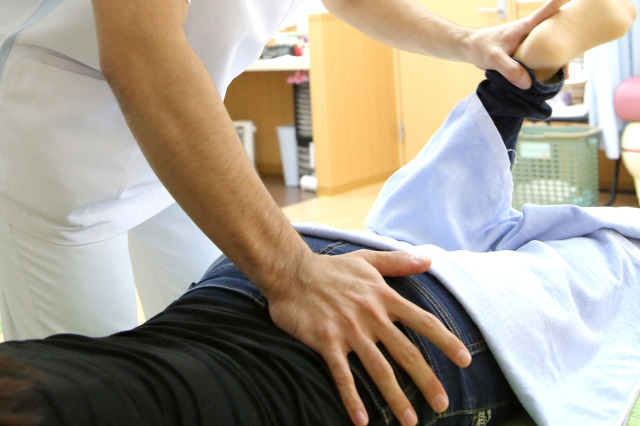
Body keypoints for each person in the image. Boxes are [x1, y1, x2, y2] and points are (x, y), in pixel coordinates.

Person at [0, 1, 637, 425]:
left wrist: (465, 40)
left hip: (192, 152)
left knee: (193, 366)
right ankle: (514, 93)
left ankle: (513, 94)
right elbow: (141, 51)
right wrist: (291, 272)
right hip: (62, 148)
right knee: (154, 375)